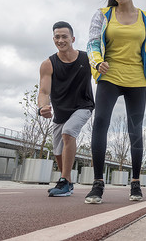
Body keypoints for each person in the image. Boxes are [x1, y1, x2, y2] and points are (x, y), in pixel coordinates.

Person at [85, 0, 146, 204]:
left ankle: (135, 183)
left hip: (137, 79)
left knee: (135, 129)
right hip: (109, 76)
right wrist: (97, 63)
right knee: (100, 123)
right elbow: (93, 43)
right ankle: (97, 184)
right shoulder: (103, 14)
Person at [38, 21, 95, 197]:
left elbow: (106, 73)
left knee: (69, 132)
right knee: (57, 152)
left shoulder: (87, 59)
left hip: (83, 106)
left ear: (72, 38)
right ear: (53, 39)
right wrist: (42, 107)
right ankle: (68, 182)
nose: (61, 40)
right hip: (61, 113)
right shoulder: (48, 64)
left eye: (64, 36)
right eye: (57, 37)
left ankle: (63, 182)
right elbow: (44, 91)